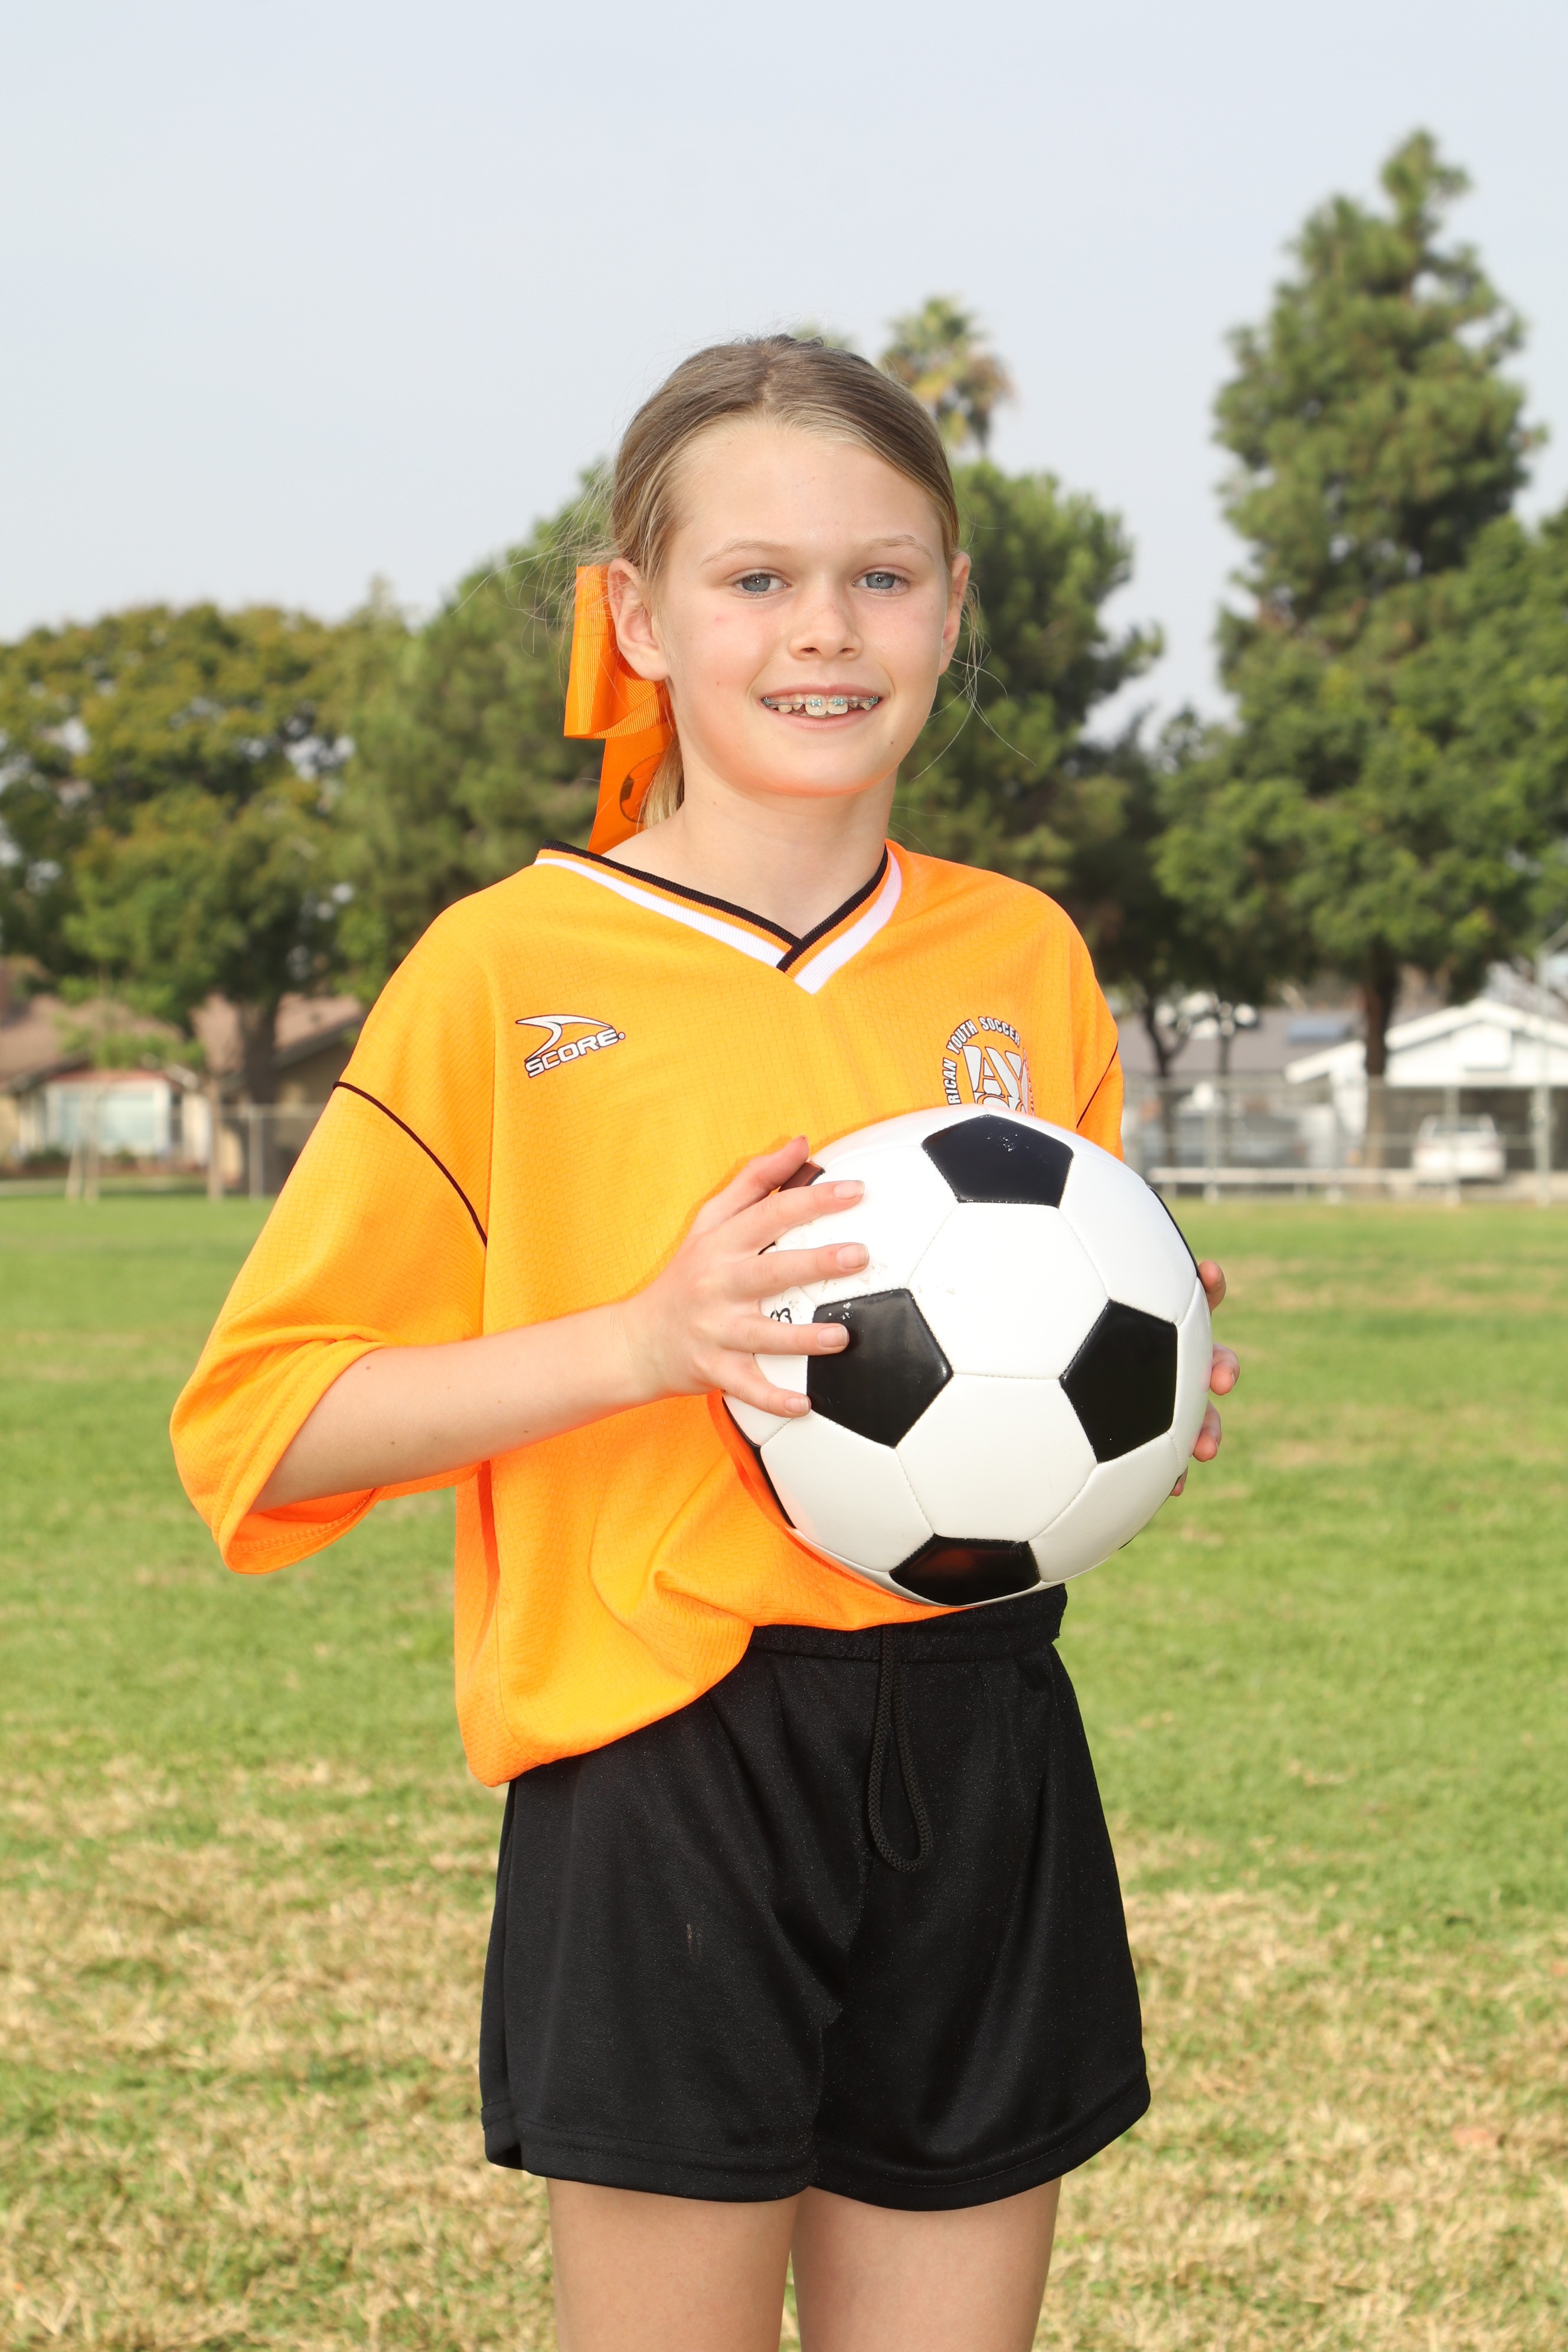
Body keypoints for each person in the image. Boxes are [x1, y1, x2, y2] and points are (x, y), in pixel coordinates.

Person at [173, 336, 1237, 2352]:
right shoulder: (506, 972)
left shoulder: (1023, 955)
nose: (825, 629)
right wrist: (648, 1340)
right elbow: (265, 1428)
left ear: (952, 610)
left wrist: (1143, 1380)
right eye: (756, 579)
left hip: (986, 1731)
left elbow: (1057, 1323)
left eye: (882, 575)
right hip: (664, 1758)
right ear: (640, 618)